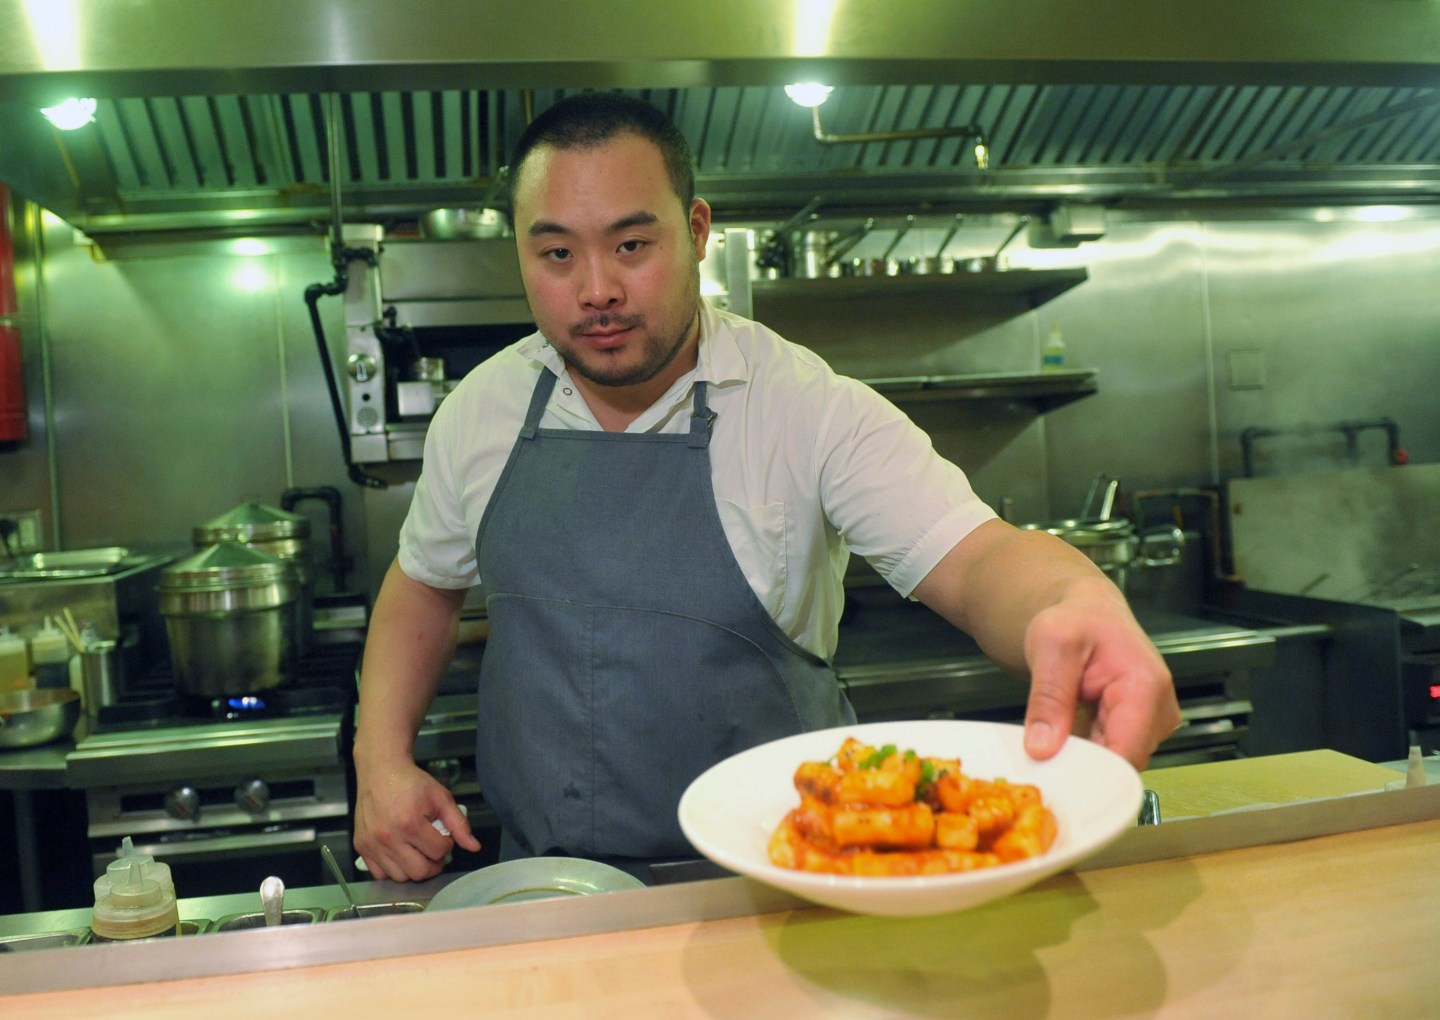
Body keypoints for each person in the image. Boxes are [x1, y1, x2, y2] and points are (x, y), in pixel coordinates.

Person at [352, 92, 1180, 882]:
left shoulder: (804, 406)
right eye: (557, 253)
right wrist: (380, 756)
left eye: (633, 245)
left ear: (699, 230)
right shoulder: (482, 411)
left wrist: (1075, 604)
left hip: (787, 884)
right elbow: (423, 582)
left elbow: (976, 559)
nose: (596, 287)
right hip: (549, 889)